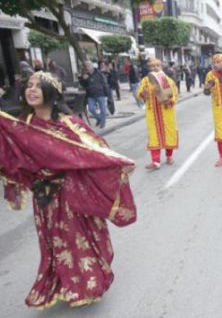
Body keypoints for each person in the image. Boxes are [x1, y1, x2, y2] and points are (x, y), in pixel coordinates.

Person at [0, 71, 136, 308]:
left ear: (51, 93)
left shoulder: (69, 124)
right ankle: (60, 284)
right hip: (44, 196)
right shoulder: (24, 125)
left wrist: (116, 162)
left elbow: (96, 151)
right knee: (54, 242)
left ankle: (87, 284)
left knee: (79, 239)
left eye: (37, 86)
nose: (31, 90)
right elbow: (13, 157)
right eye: (28, 85)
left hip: (71, 192)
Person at [137, 58, 179, 169]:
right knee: (154, 136)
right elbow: (139, 94)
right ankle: (155, 161)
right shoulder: (145, 81)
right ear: (149, 68)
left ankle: (169, 156)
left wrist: (169, 101)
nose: (155, 68)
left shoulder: (168, 80)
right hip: (152, 114)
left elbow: (174, 95)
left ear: (161, 67)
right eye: (152, 66)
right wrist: (144, 93)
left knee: (168, 134)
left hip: (166, 113)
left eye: (157, 66)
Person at [79, 61, 108, 128]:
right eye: (86, 66)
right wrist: (83, 79)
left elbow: (104, 83)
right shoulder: (85, 74)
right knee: (91, 109)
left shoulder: (98, 73)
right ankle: (98, 119)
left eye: (88, 66)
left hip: (100, 93)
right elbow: (82, 84)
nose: (87, 68)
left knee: (103, 109)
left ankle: (102, 123)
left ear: (92, 66)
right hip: (91, 95)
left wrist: (107, 94)